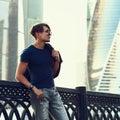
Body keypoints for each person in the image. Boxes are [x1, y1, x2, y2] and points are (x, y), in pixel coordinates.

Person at [15, 23, 69, 120]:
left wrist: (56, 60)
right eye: (46, 32)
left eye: (50, 32)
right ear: (38, 34)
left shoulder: (49, 49)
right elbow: (19, 75)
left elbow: (53, 73)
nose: (50, 34)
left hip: (53, 91)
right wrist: (34, 89)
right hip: (39, 93)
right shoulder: (28, 52)